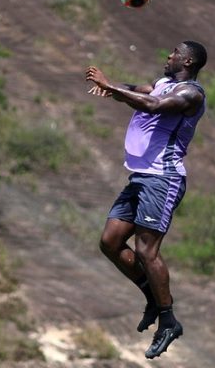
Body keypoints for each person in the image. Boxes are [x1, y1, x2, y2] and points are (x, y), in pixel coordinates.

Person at [85, 40, 207, 359]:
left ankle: (168, 321)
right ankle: (150, 295)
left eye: (175, 53)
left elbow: (152, 106)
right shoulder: (162, 84)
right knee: (110, 241)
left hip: (163, 179)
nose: (169, 55)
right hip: (140, 176)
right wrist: (112, 87)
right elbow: (141, 91)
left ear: (189, 61)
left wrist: (111, 86)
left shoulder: (191, 94)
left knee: (146, 249)